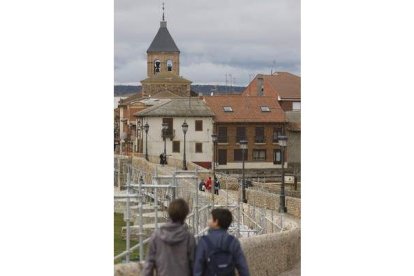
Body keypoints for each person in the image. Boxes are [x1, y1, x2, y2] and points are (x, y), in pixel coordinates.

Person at [142, 198, 196, 276]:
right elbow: (194, 265)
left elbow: (149, 265)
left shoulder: (156, 236)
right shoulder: (189, 238)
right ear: (185, 215)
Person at [194, 208, 250, 276]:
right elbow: (242, 266)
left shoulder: (204, 241)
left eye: (210, 218)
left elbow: (198, 267)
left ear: (216, 222)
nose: (208, 220)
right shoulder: (233, 241)